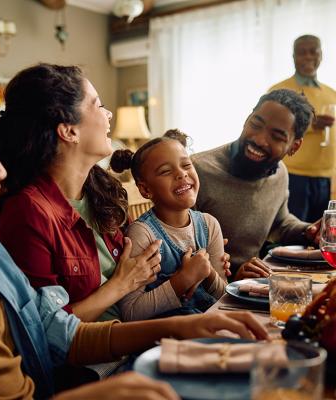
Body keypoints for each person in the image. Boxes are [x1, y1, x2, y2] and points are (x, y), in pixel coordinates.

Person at [0, 83, 268, 399]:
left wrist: (187, 324)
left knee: (260, 367)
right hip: (99, 370)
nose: (0, 171)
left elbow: (63, 333)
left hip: (122, 352)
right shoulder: (28, 212)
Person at [0, 64, 230, 323]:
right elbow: (44, 331)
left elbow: (143, 267)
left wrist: (200, 262)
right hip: (102, 359)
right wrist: (121, 285)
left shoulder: (102, 191)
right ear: (69, 131)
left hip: (138, 336)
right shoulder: (27, 212)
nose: (109, 115)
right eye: (98, 105)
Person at [192, 89, 320, 280]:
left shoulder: (280, 173)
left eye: (277, 137)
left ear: (294, 146)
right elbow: (178, 254)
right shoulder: (196, 172)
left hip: (251, 285)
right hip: (209, 294)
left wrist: (312, 231)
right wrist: (232, 278)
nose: (259, 139)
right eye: (256, 124)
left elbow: (280, 224)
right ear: (246, 119)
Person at [110, 130, 227, 321]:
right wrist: (183, 280)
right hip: (162, 340)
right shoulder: (142, 234)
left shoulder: (209, 224)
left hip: (210, 329)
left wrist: (209, 274)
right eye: (166, 171)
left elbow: (224, 297)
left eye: (186, 165)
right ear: (146, 189)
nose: (181, 174)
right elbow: (131, 312)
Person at [269, 35, 336, 222]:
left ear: (321, 55)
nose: (308, 57)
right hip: (292, 175)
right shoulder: (279, 90)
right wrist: (310, 125)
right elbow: (271, 128)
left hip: (326, 177)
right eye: (302, 52)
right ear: (293, 57)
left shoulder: (332, 94)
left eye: (313, 51)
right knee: (292, 237)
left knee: (319, 236)